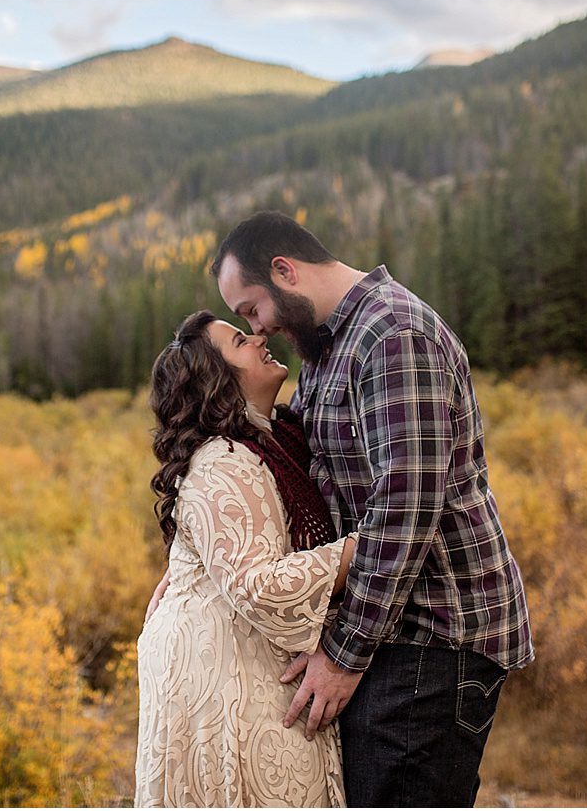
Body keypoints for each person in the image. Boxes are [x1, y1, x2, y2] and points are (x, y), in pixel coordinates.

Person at [210, 210, 534, 807]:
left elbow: (406, 507)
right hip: (395, 630)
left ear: (285, 271)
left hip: (434, 632)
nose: (258, 330)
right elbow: (291, 463)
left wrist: (344, 654)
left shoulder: (392, 335)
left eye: (252, 309)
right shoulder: (328, 348)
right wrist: (196, 559)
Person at [136, 309, 359, 808]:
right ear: (219, 382)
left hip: (246, 664)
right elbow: (259, 585)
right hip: (229, 683)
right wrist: (368, 548)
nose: (259, 338)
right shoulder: (224, 461)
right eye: (240, 341)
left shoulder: (274, 440)